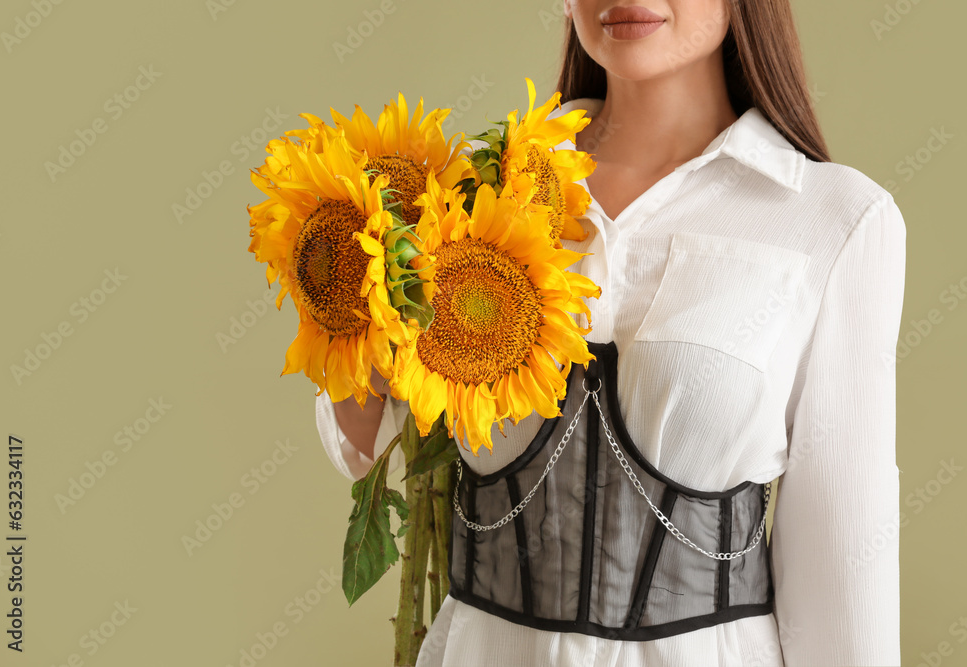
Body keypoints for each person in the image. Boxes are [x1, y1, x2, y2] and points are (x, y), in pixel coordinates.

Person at [317, 0, 906, 665]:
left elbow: (844, 566)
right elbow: (371, 438)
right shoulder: (480, 194)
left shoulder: (836, 220)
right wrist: (347, 291)